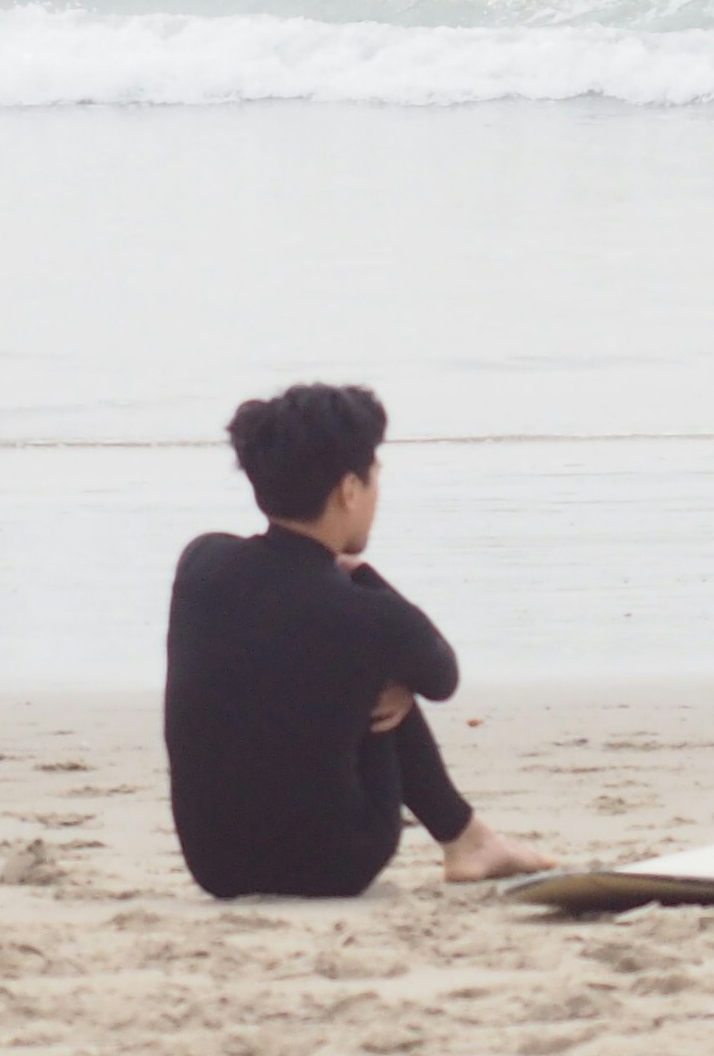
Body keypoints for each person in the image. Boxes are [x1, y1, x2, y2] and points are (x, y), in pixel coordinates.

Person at [165, 382, 550, 900]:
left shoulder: (201, 562)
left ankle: (474, 842)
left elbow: (276, 631)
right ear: (349, 490)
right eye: (374, 479)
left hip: (215, 867)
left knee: (331, 659)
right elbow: (441, 676)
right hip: (335, 863)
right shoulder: (367, 612)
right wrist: (363, 577)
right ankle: (468, 841)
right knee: (380, 669)